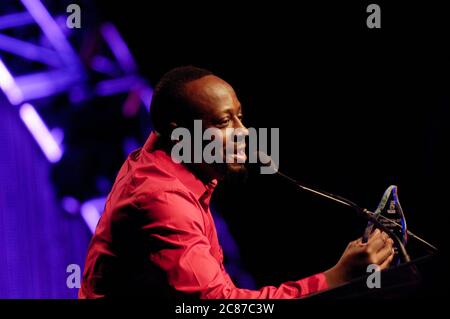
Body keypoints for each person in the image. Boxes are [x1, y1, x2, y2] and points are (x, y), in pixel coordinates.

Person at [79, 66, 395, 299]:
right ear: (180, 135)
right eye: (224, 121)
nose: (243, 132)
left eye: (239, 116)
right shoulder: (161, 201)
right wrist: (336, 278)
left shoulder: (162, 164)